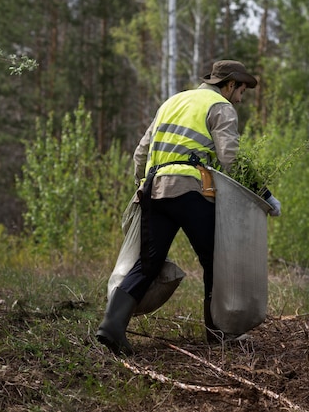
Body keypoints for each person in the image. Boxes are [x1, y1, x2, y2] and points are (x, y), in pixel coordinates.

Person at [96, 60, 281, 355]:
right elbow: (230, 159)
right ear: (230, 84)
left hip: (155, 190)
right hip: (191, 192)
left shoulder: (172, 102)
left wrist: (141, 185)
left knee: (148, 263)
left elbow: (140, 153)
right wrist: (264, 194)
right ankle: (218, 333)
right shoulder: (220, 107)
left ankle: (112, 326)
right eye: (242, 89)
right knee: (217, 262)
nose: (242, 97)